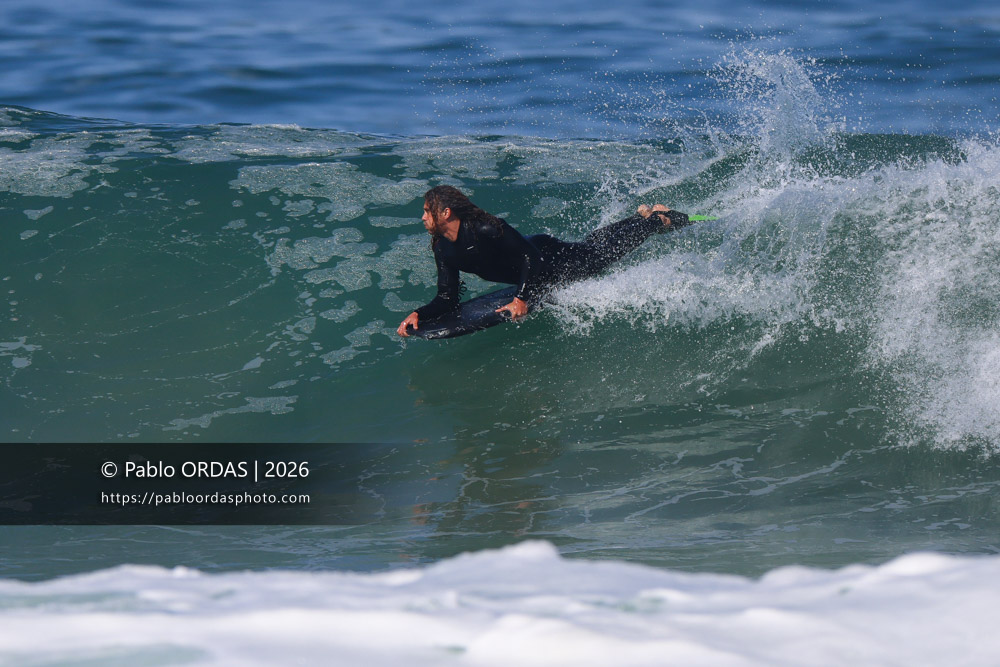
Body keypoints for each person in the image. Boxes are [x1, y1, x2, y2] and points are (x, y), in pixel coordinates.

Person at [396, 185, 691, 337]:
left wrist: (522, 298)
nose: (422, 217)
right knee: (592, 245)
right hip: (539, 263)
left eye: (427, 211)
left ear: (446, 213)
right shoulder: (443, 247)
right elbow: (448, 296)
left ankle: (656, 222)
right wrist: (420, 313)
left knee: (599, 257)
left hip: (551, 258)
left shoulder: (486, 228)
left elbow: (531, 258)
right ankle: (640, 218)